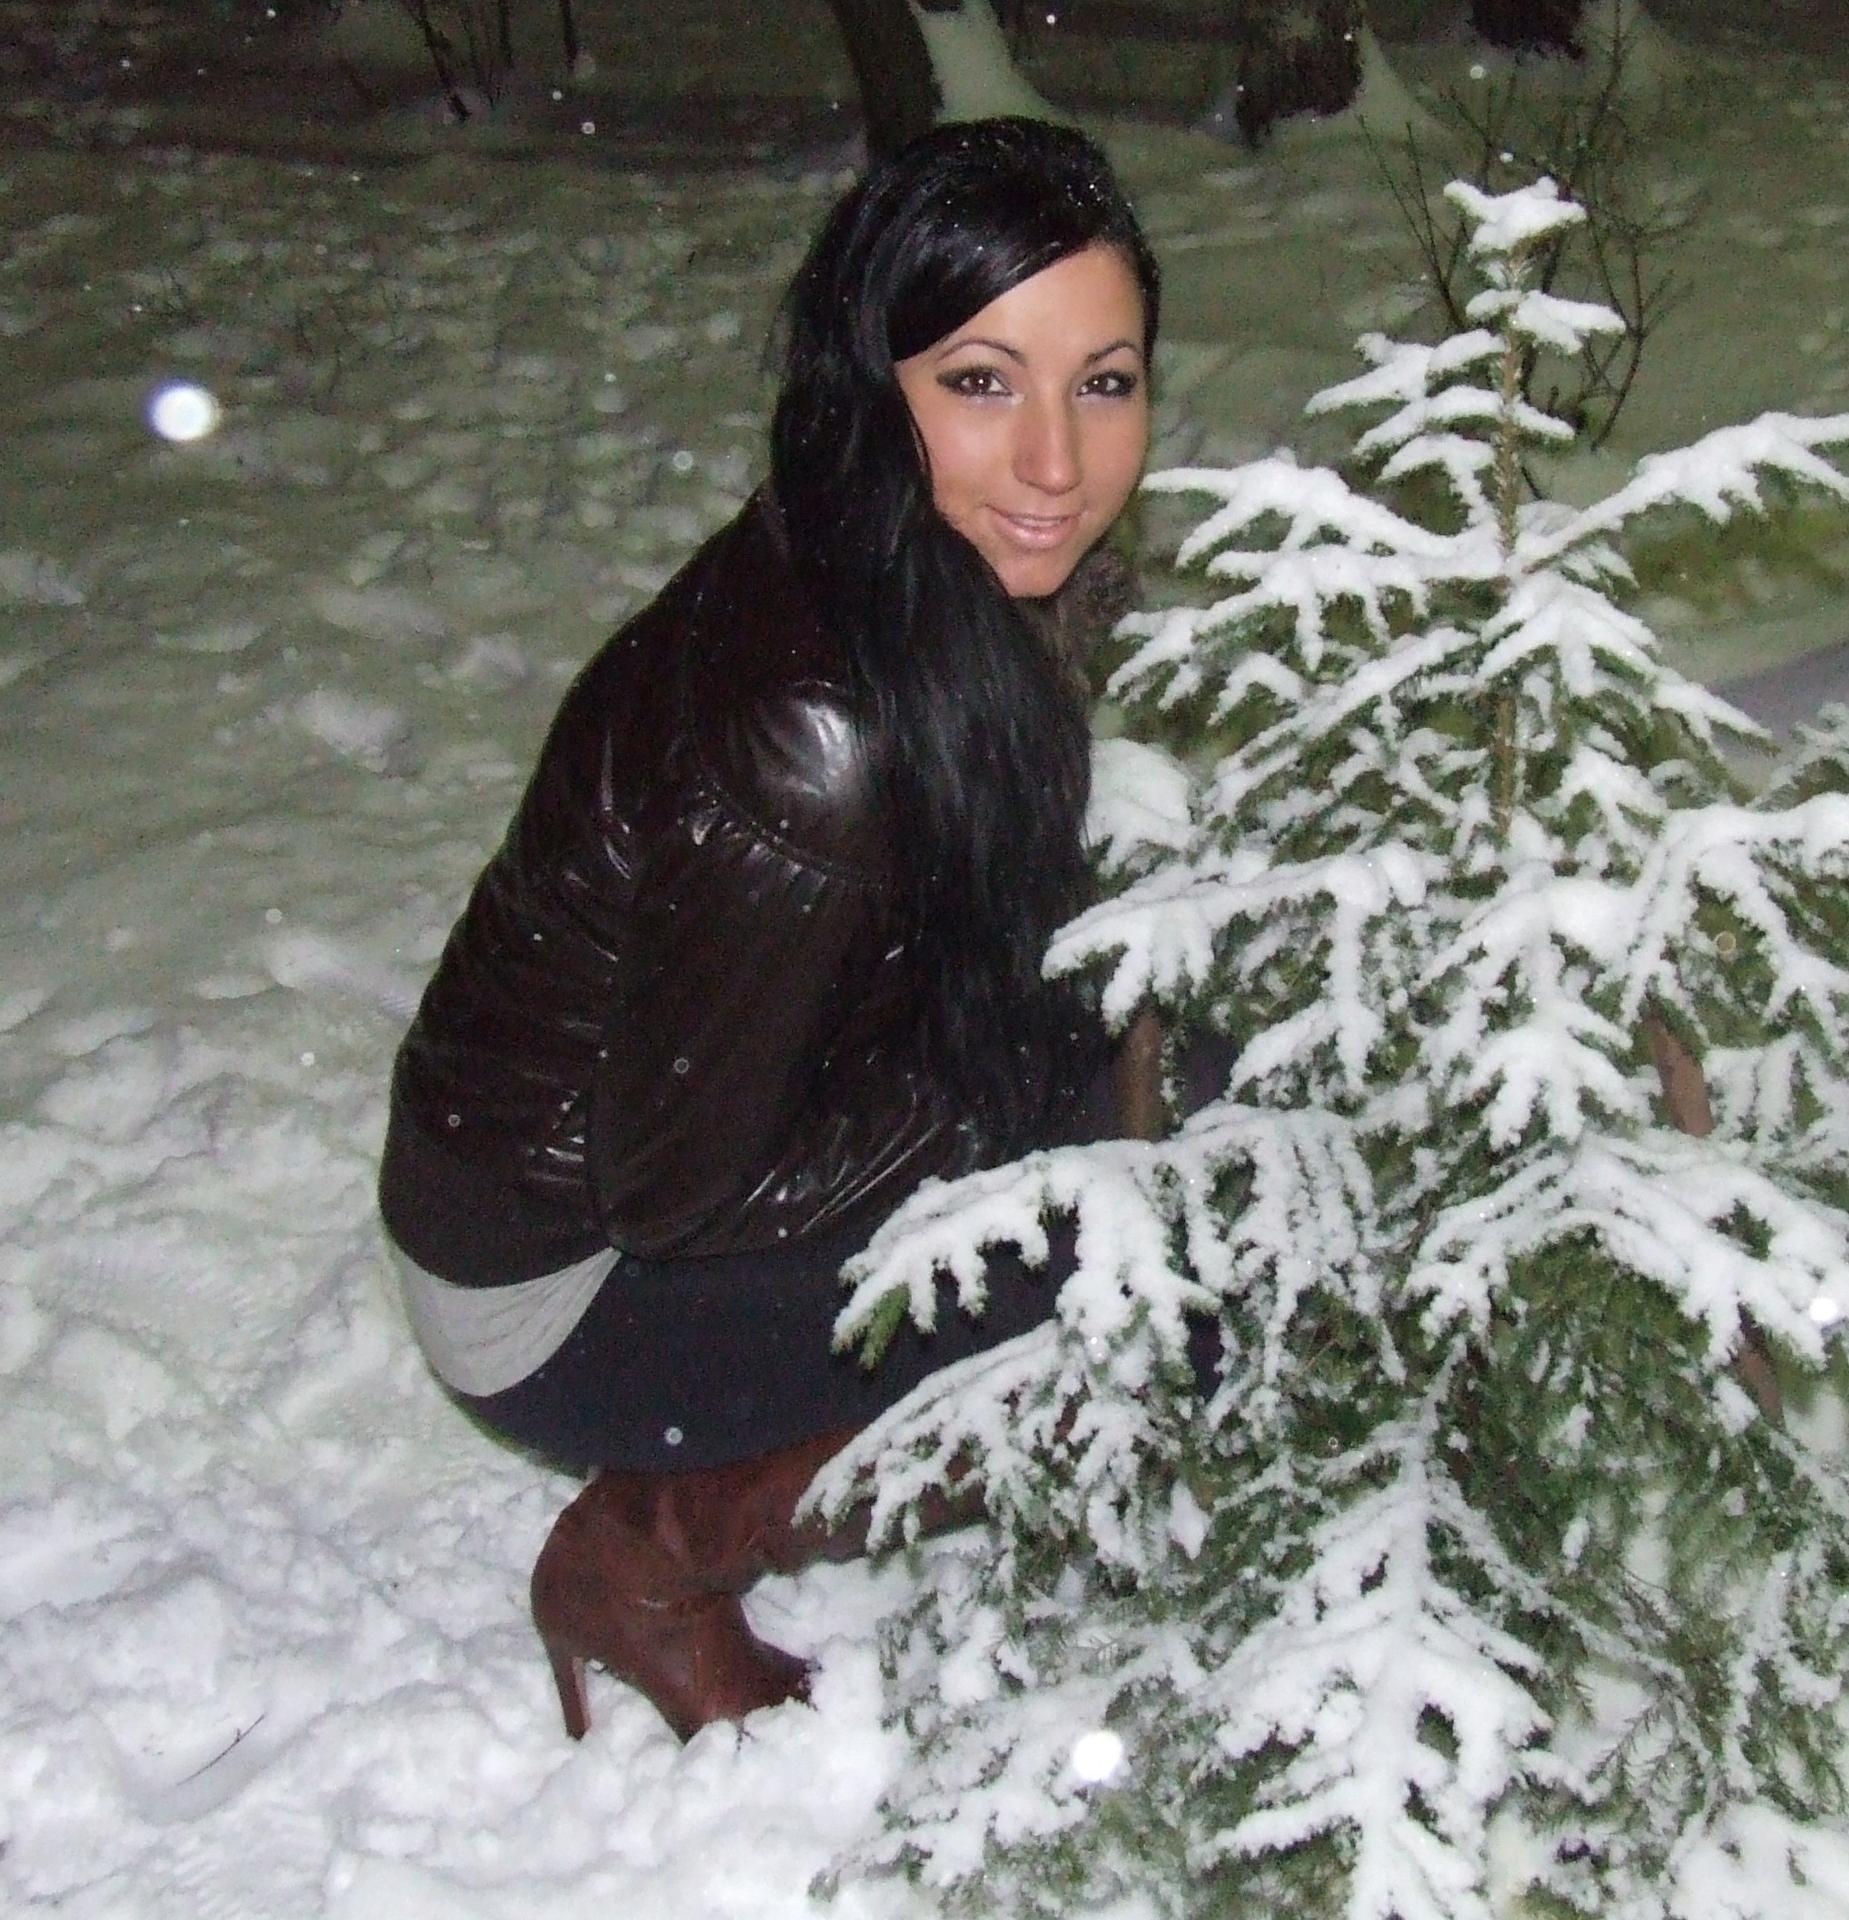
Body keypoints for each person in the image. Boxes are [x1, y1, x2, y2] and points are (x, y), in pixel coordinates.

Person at [375, 118, 1164, 1745]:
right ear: (869, 385)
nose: (1056, 464)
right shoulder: (820, 736)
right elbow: (679, 1194)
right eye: (981, 381)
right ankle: (652, 1560)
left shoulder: (901, 558)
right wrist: (1010, 1080)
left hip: (659, 1161)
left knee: (1171, 1078)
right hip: (564, 1289)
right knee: (1153, 1249)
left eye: (1103, 383)